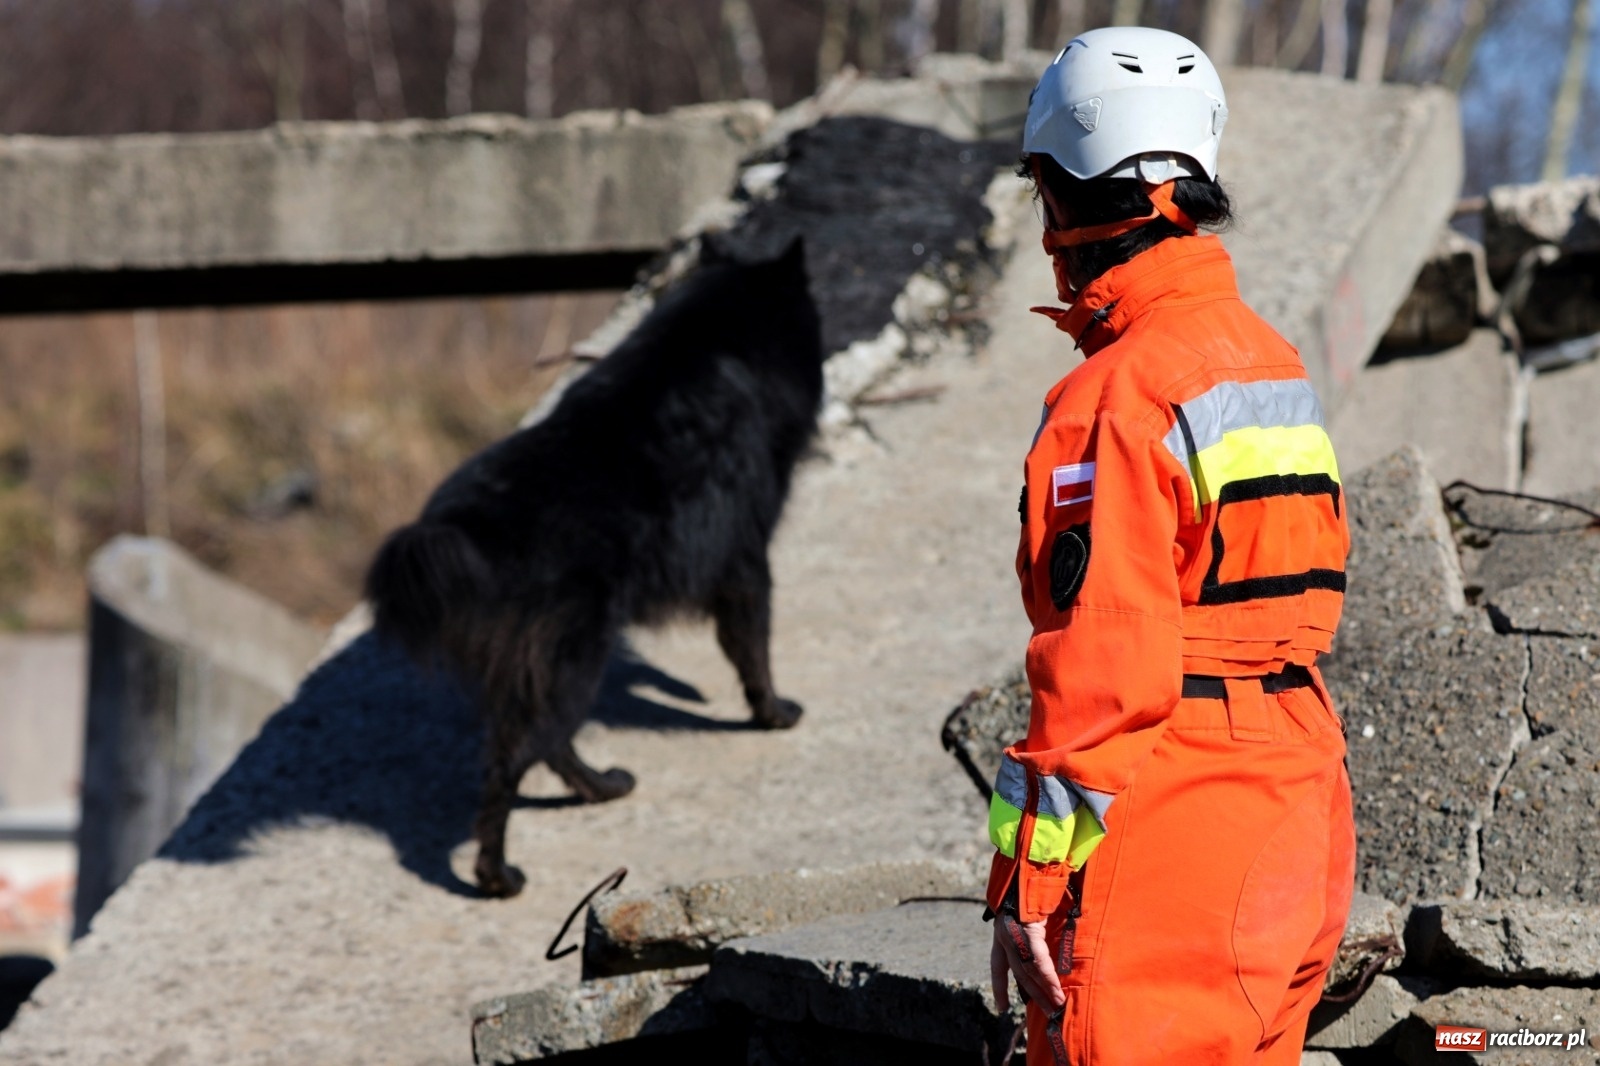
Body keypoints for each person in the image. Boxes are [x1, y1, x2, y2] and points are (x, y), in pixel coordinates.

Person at [985, 26, 1356, 1065]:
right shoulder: (1262, 356)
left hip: (1177, 816)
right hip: (1299, 792)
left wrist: (1027, 885)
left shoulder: (1113, 397)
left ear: (1059, 193)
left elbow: (1104, 668)